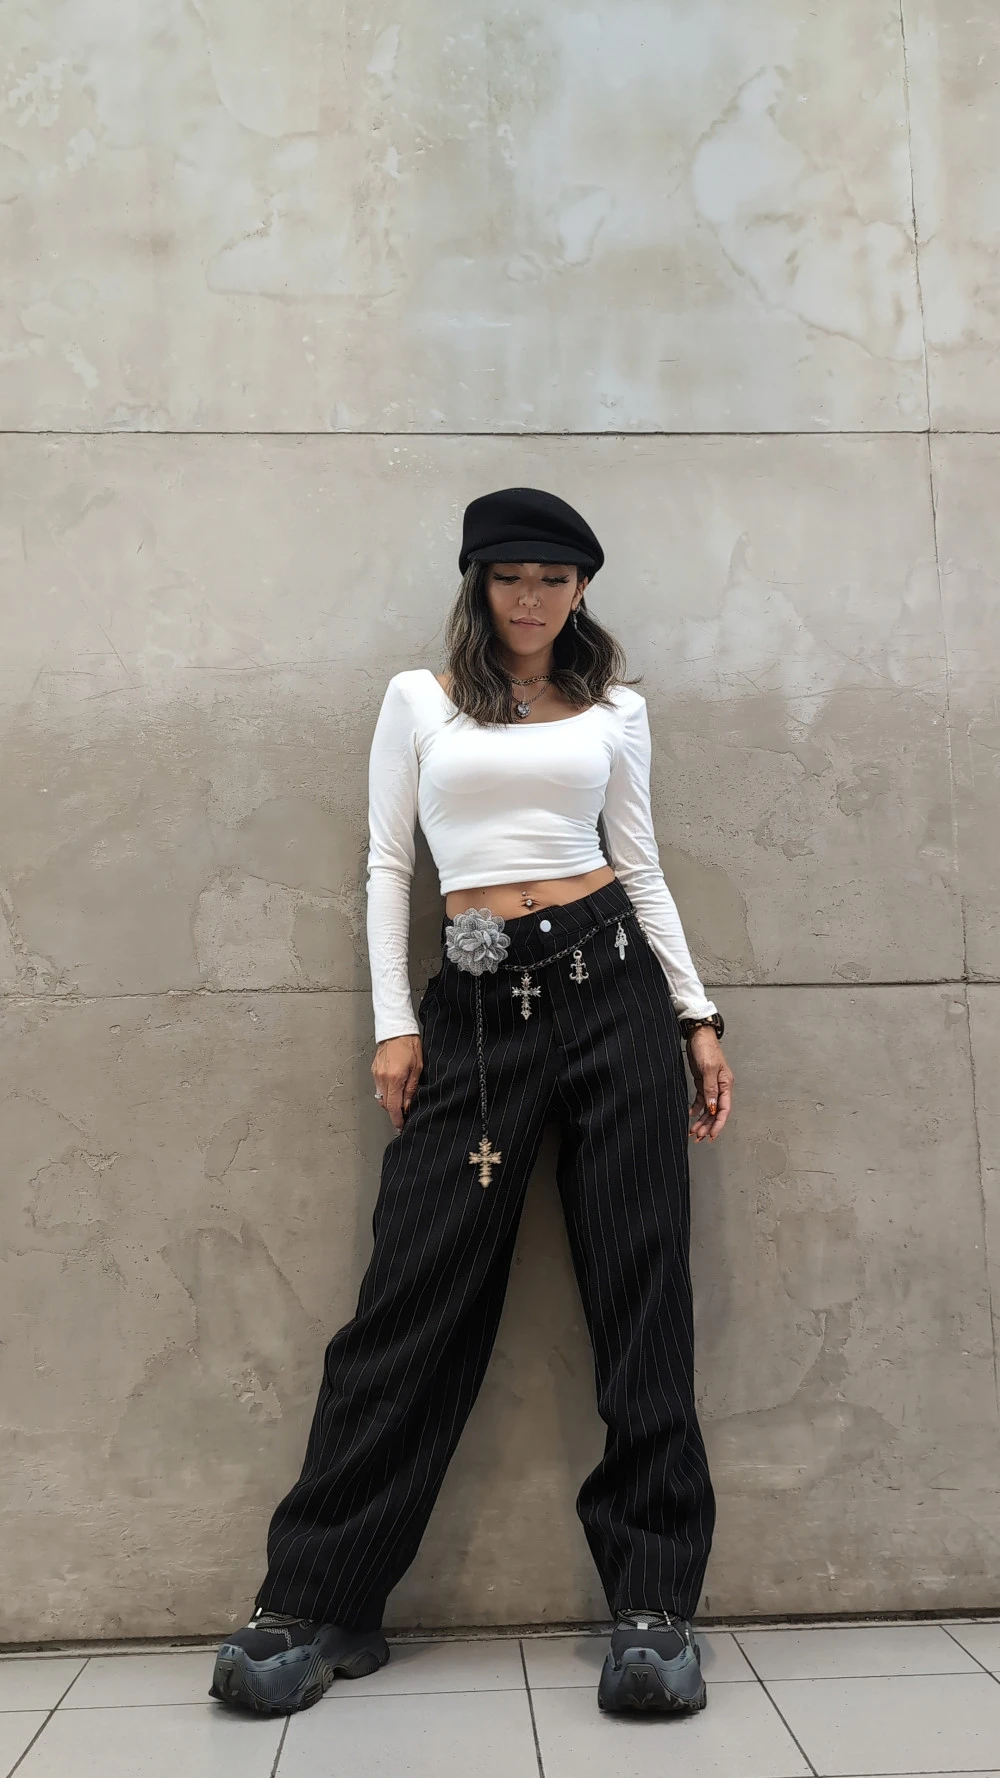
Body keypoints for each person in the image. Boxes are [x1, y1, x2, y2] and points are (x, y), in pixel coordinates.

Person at [210, 486, 734, 1719]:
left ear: (581, 588)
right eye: (508, 576)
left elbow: (640, 863)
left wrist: (694, 1014)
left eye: (552, 577)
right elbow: (389, 863)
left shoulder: (616, 709)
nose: (529, 597)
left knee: (641, 1294)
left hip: (613, 985)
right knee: (411, 1299)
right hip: (478, 1012)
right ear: (477, 583)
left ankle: (653, 1605)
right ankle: (318, 1599)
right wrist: (395, 1022)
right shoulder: (420, 700)